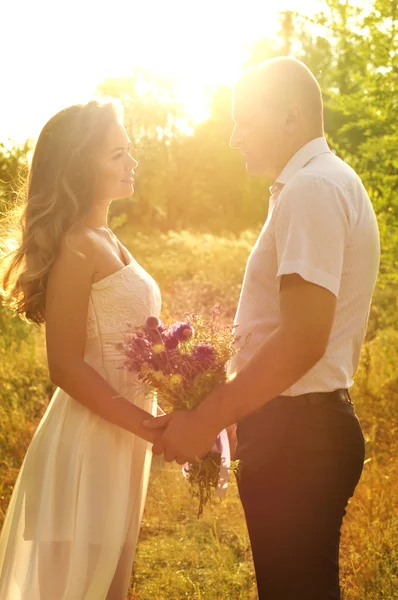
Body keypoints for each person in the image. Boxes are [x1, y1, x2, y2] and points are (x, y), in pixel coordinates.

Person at [145, 57, 381, 599]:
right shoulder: (320, 183)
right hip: (297, 429)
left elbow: (303, 338)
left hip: (299, 438)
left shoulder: (311, 191)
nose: (232, 137)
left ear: (291, 118)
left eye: (243, 120)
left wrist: (206, 418)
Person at [0, 100, 164, 599]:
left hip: (122, 438)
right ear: (80, 165)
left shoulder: (107, 237)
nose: (131, 162)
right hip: (90, 441)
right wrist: (145, 425)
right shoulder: (77, 244)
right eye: (117, 154)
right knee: (78, 585)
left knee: (110, 582)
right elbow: (65, 366)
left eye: (128, 151)